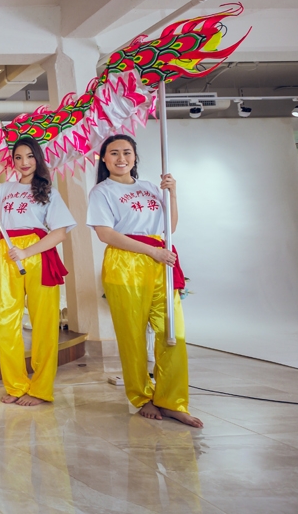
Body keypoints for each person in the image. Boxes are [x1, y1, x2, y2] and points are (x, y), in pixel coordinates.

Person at [87, 134, 202, 427]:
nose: (121, 158)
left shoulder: (151, 187)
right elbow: (105, 234)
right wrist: (151, 251)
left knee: (172, 333)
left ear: (135, 157)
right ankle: (142, 397)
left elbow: (168, 228)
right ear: (104, 158)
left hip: (160, 263)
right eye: (114, 153)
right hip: (125, 264)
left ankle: (172, 400)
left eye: (127, 152)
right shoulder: (101, 192)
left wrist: (172, 194)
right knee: (133, 336)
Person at [0, 137, 75, 405]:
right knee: (4, 322)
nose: (24, 162)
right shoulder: (5, 189)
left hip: (37, 255)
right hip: (7, 253)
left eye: (29, 156)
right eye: (18, 157)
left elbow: (59, 233)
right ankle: (16, 385)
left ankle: (41, 389)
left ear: (38, 158)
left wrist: (27, 252)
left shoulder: (48, 191)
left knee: (44, 324)